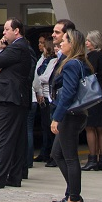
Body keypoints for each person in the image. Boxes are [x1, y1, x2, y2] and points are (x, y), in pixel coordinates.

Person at [0, 19, 34, 189]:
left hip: (9, 97)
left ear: (17, 31)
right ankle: (14, 175)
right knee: (16, 139)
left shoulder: (18, 47)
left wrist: (0, 51)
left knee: (4, 138)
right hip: (16, 97)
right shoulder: (22, 48)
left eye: (6, 29)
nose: (3, 33)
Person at [49, 27, 91, 202]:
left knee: (70, 157)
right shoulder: (79, 62)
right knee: (57, 153)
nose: (61, 43)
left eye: (64, 40)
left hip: (70, 115)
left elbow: (68, 93)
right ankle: (72, 194)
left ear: (72, 44)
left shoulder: (72, 64)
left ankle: (74, 198)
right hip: (75, 114)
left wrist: (57, 117)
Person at [82, 29, 102, 173]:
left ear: (95, 42)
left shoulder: (92, 57)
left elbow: (86, 75)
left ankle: (92, 159)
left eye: (88, 40)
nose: (86, 43)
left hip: (92, 94)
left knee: (90, 127)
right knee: (101, 127)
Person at [29, 34, 58, 168]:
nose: (40, 46)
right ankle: (45, 152)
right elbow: (38, 76)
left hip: (49, 96)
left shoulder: (53, 60)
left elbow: (45, 77)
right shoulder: (42, 59)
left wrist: (40, 82)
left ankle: (53, 154)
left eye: (43, 44)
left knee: (50, 126)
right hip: (42, 95)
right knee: (45, 126)